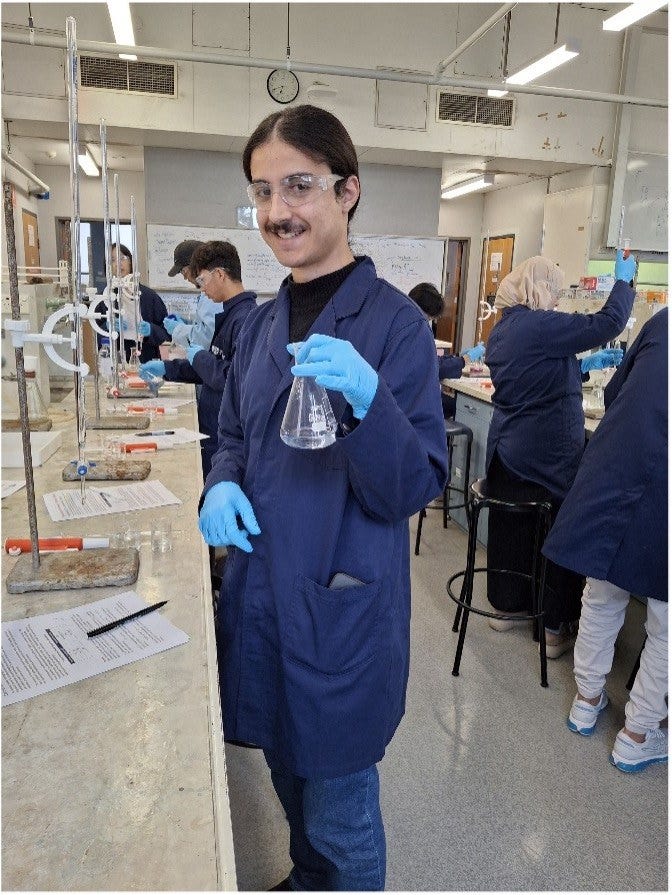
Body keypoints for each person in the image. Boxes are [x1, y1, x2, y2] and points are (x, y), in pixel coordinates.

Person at [197, 104, 447, 891]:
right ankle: (308, 878)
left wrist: (371, 402)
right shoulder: (262, 325)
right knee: (284, 774)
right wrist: (221, 480)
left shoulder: (397, 328)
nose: (277, 212)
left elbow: (411, 485)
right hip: (263, 596)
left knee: (341, 807)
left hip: (339, 606)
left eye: (298, 186)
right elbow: (235, 430)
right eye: (263, 192)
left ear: (348, 192)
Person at [483, 252, 636, 658]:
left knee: (512, 534)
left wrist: (584, 367)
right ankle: (553, 629)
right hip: (544, 460)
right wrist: (624, 284)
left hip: (508, 455)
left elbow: (539, 374)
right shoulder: (540, 324)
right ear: (538, 287)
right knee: (563, 532)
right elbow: (608, 323)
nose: (556, 299)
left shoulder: (505, 328)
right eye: (553, 288)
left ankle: (505, 609)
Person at [543, 308, 667, 772]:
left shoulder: (663, 322)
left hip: (618, 464)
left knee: (602, 591)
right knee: (667, 621)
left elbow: (614, 392)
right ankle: (637, 734)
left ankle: (586, 700)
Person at [139, 240, 256, 476]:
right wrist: (168, 368)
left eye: (202, 281)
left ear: (220, 274)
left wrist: (200, 357)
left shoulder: (245, 320)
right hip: (214, 425)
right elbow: (209, 366)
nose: (201, 289)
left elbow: (230, 378)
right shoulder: (228, 314)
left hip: (226, 432)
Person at [408, 282, 485, 418]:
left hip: (411, 396)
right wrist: (464, 360)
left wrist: (456, 356)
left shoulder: (407, 324)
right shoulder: (416, 330)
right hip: (414, 401)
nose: (430, 321)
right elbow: (434, 367)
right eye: (430, 317)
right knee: (459, 406)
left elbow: (431, 359)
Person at [96, 243, 168, 363]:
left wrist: (151, 330)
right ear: (108, 267)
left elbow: (166, 334)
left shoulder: (149, 297)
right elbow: (95, 336)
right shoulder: (105, 299)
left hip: (146, 359)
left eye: (122, 258)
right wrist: (107, 327)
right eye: (113, 260)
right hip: (116, 360)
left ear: (130, 262)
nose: (118, 264)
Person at [164, 239, 218, 350]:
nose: (185, 277)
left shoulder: (213, 296)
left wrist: (178, 329)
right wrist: (187, 324)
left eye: (183, 271)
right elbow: (204, 326)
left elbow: (206, 338)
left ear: (195, 265)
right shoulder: (206, 294)